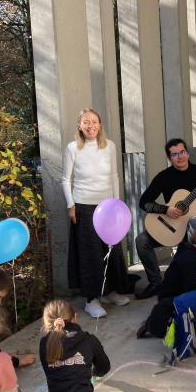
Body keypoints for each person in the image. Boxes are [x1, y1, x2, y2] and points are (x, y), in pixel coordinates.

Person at [62, 108, 131, 319]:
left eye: (94, 121)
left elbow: (115, 175)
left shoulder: (109, 146)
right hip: (84, 207)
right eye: (86, 122)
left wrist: (117, 203)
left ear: (100, 124)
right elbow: (66, 179)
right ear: (79, 126)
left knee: (111, 250)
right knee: (90, 255)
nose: (90, 125)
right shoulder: (73, 148)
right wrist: (71, 205)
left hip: (108, 207)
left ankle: (110, 291)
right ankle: (91, 300)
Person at [135, 138, 196, 300]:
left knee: (195, 223)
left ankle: (189, 286)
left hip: (193, 229)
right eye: (174, 154)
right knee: (141, 241)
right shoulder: (164, 177)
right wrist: (166, 210)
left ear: (188, 153)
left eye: (182, 152)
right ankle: (156, 283)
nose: (180, 157)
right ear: (170, 158)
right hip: (171, 226)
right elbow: (144, 202)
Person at [136, 223, 196, 339]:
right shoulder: (191, 257)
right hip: (171, 299)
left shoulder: (188, 250)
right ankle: (157, 322)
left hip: (167, 295)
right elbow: (189, 289)